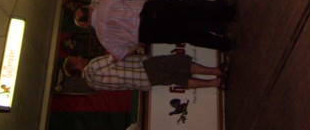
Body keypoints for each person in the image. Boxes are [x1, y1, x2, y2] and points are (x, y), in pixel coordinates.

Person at [71, 0, 238, 58]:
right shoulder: (105, 2)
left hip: (147, 33)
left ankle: (224, 44)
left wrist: (136, 43)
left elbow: (120, 54)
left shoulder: (103, 38)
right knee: (190, 9)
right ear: (89, 7)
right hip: (149, 11)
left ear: (85, 25)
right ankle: (227, 13)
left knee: (188, 34)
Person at [63, 53, 227, 91]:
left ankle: (215, 83)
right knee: (180, 63)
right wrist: (133, 46)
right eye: (76, 58)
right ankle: (216, 71)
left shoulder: (92, 84)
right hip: (142, 67)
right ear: (76, 65)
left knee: (179, 79)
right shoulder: (92, 65)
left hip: (143, 82)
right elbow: (116, 56)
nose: (79, 56)